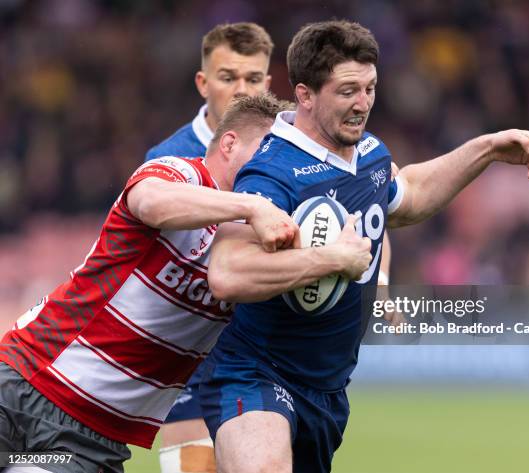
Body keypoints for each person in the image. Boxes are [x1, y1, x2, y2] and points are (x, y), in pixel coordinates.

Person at [199, 20, 529, 473]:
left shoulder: (369, 154)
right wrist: (329, 259)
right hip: (255, 372)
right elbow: (227, 273)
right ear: (305, 95)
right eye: (347, 91)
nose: (362, 104)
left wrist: (486, 149)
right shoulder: (273, 171)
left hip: (326, 389)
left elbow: (408, 196)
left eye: (370, 88)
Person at [0, 94, 372, 473]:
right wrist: (251, 205)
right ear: (229, 143)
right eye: (269, 150)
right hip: (21, 380)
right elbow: (150, 203)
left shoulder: (263, 244)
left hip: (88, 440)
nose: (276, 165)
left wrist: (338, 256)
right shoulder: (182, 173)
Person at [145, 21, 394, 472]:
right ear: (203, 84)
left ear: (270, 83)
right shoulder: (171, 158)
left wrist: (381, 277)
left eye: (254, 78)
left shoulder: (287, 148)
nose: (242, 89)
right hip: (193, 350)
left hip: (260, 338)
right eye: (229, 77)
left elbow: (365, 211)